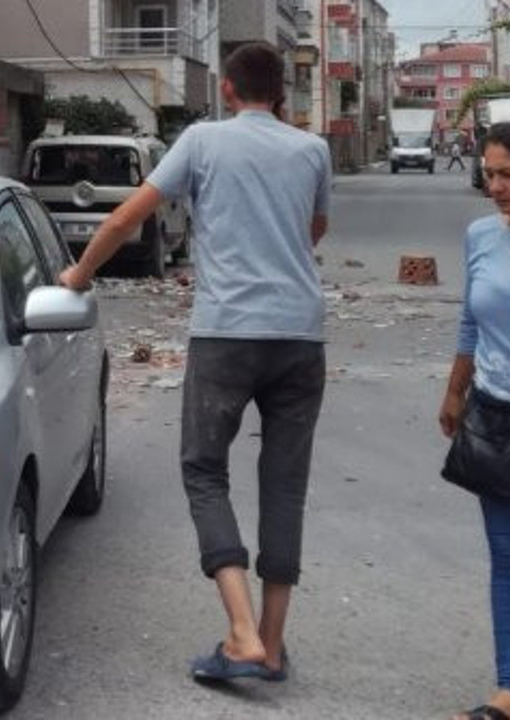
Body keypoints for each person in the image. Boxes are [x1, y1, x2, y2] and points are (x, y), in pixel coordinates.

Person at [60, 42, 332, 683]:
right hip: (301, 335)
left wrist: (78, 272)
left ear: (229, 91)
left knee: (205, 470)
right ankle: (271, 640)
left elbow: (129, 215)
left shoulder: (204, 142)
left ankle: (240, 635)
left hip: (228, 334)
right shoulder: (313, 150)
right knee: (285, 485)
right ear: (282, 95)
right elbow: (314, 231)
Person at [440, 122, 510, 720]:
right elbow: (469, 319)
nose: (496, 186)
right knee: (504, 554)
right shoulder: (482, 235)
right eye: (489, 173)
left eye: (507, 173)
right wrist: (454, 391)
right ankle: (509, 688)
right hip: (493, 411)